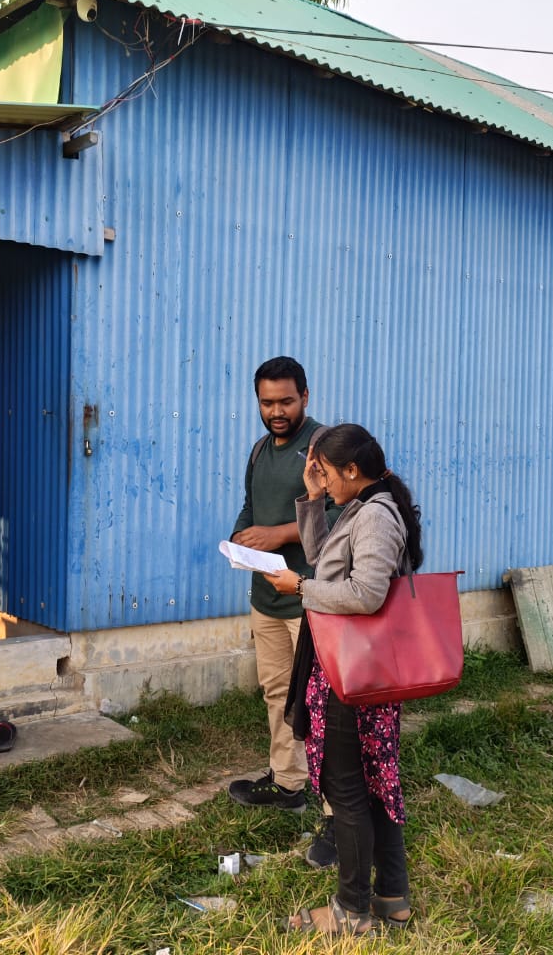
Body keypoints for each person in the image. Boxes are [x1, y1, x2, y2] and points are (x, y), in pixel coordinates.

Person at [269, 423, 423, 935]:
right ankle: (392, 899)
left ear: (353, 471)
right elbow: (323, 559)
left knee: (348, 789)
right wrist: (313, 500)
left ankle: (350, 912)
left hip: (354, 671)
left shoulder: (376, 516)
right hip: (350, 665)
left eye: (328, 474)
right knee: (373, 786)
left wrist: (301, 589)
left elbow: (365, 594)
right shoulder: (362, 508)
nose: (325, 481)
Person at [226, 356, 340, 868]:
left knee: (323, 704)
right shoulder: (258, 451)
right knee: (277, 692)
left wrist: (278, 535)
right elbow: (251, 509)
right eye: (267, 402)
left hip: (310, 596)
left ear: (306, 397)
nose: (276, 411)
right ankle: (289, 783)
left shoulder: (324, 449)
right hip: (266, 597)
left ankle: (340, 813)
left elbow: (341, 512)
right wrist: (240, 537)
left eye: (286, 401)